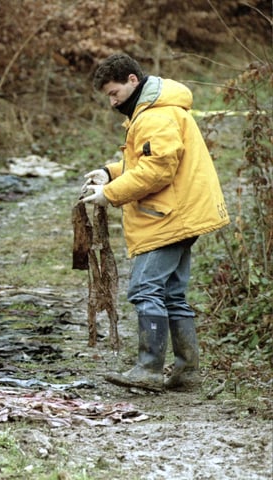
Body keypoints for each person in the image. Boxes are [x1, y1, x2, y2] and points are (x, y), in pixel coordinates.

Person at [81, 53, 230, 392]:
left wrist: (111, 193)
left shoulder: (155, 116)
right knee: (172, 294)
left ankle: (149, 369)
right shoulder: (154, 111)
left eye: (114, 92)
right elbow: (145, 159)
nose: (111, 101)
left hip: (167, 216)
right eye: (107, 95)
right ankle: (187, 372)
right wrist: (110, 171)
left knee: (145, 288)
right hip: (182, 213)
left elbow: (157, 170)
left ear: (133, 80)